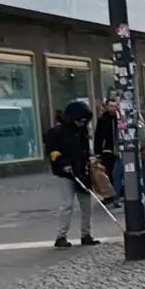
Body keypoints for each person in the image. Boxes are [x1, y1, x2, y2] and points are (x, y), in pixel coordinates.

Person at [44, 99, 98, 249]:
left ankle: (86, 234)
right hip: (66, 173)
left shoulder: (83, 132)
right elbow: (53, 152)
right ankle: (61, 236)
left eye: (84, 121)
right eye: (80, 120)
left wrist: (90, 159)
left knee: (87, 205)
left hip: (82, 172)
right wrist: (63, 164)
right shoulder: (57, 132)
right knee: (67, 204)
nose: (82, 123)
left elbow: (85, 150)